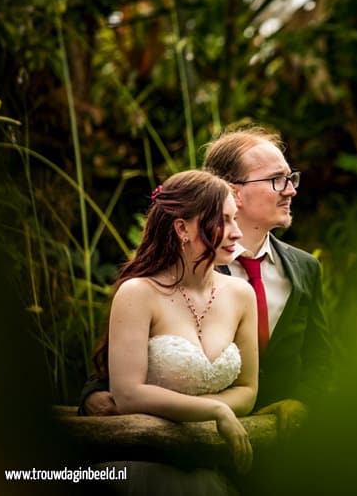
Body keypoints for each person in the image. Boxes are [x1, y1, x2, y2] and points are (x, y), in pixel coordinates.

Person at [82, 126, 331, 438]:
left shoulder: (305, 268)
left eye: (290, 178)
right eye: (276, 180)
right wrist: (92, 395)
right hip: (185, 439)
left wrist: (302, 402)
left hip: (277, 442)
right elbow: (121, 364)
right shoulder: (178, 275)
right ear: (233, 191)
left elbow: (318, 358)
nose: (291, 190)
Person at [92, 170, 258, 492]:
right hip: (140, 470)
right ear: (182, 228)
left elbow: (249, 390)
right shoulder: (138, 293)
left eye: (236, 219)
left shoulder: (241, 295)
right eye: (223, 220)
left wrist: (219, 412)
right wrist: (215, 409)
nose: (237, 233)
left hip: (205, 472)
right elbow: (127, 394)